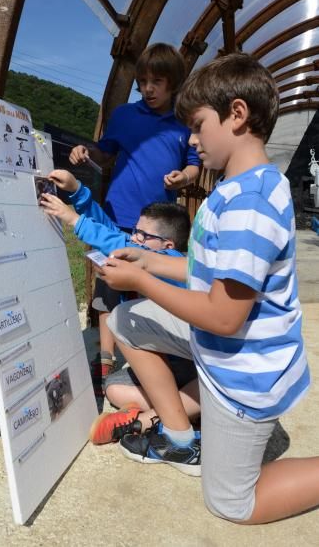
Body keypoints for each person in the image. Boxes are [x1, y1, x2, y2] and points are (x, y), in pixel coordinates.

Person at [92, 53, 319, 524]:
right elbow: (205, 268)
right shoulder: (236, 188)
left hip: (244, 369)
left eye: (197, 126)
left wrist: (140, 281)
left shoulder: (248, 203)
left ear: (237, 114)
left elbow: (223, 315)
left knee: (233, 502)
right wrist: (149, 259)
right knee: (124, 320)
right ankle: (179, 436)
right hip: (223, 348)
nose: (191, 141)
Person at [69, 43, 200, 390]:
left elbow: (195, 165)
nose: (148, 89)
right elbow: (105, 153)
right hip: (118, 212)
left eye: (157, 81)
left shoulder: (184, 122)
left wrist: (183, 178)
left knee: (151, 287)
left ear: (174, 83)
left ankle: (153, 357)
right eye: (142, 81)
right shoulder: (124, 116)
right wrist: (87, 151)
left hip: (156, 226)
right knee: (108, 283)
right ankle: (106, 360)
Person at [41, 168, 198, 401]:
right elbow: (112, 231)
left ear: (168, 245)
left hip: (185, 363)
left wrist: (73, 219)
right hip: (158, 359)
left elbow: (117, 240)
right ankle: (175, 403)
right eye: (135, 231)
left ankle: (176, 408)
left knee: (118, 392)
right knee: (114, 388)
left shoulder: (174, 262)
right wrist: (77, 191)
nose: (134, 238)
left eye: (143, 236)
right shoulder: (144, 249)